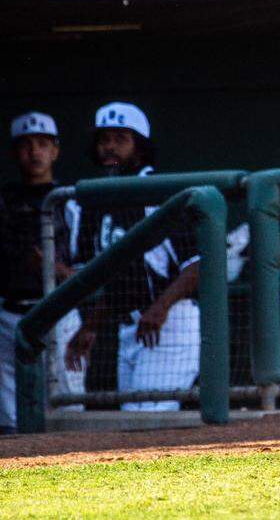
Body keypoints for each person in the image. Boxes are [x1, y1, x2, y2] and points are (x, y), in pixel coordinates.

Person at [64, 102, 201, 411]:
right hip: (131, 326)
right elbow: (117, 277)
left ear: (139, 147)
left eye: (120, 138)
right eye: (103, 139)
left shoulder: (158, 192)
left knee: (149, 420)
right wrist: (91, 326)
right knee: (132, 424)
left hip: (171, 320)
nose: (109, 147)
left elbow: (197, 266)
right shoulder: (98, 202)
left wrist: (160, 308)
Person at [0, 112, 84, 433]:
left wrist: (53, 268)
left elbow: (89, 267)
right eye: (26, 145)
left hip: (59, 316)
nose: (35, 152)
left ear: (56, 150)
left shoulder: (72, 202)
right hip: (11, 316)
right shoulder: (4, 201)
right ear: (14, 152)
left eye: (43, 144)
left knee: (69, 407)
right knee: (10, 419)